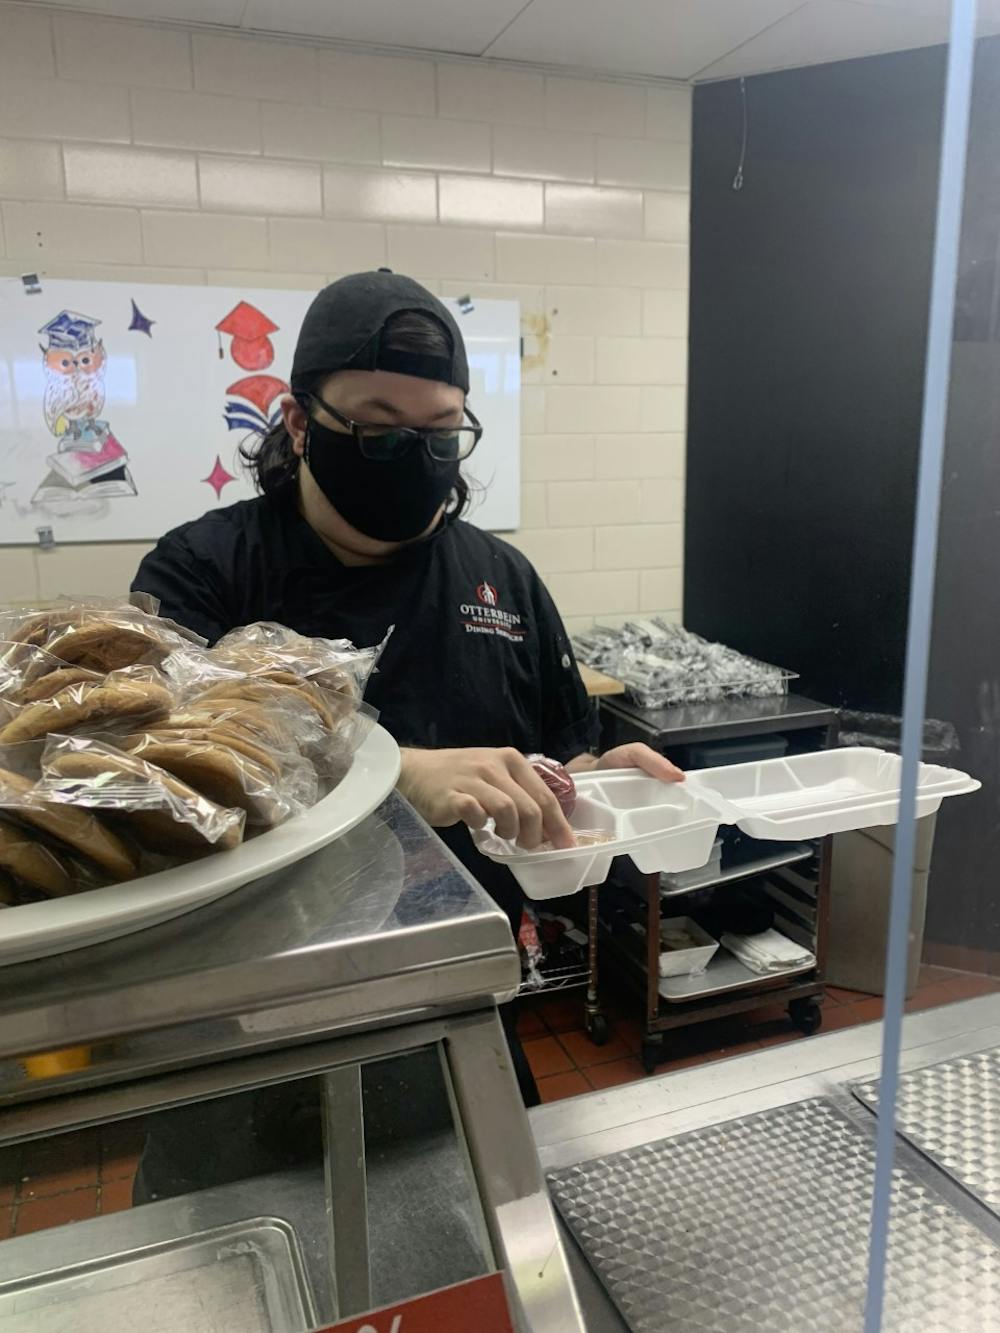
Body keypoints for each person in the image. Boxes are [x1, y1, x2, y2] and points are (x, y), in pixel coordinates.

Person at [133, 269, 683, 1109]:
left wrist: (598, 790)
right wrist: (393, 776)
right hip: (253, 1026)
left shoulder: (501, 579)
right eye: (377, 429)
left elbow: (560, 746)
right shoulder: (201, 573)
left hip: (464, 1000)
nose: (411, 456)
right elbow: (156, 797)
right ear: (298, 422)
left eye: (439, 431)